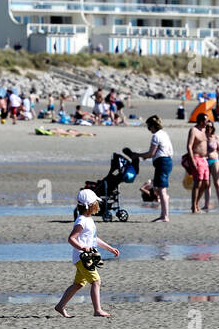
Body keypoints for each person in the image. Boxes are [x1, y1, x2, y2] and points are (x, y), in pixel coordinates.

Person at [53, 189, 120, 318]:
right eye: (96, 202)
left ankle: (60, 306)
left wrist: (109, 248)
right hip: (82, 258)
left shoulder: (89, 220)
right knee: (96, 281)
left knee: (78, 284)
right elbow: (71, 238)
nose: (98, 205)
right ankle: (97, 310)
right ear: (90, 205)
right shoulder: (81, 221)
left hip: (86, 257)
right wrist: (83, 248)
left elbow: (94, 239)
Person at [130, 115, 174, 222]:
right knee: (159, 188)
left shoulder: (156, 136)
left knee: (162, 190)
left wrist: (138, 155)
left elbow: (151, 153)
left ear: (153, 126)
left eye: (149, 127)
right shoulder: (164, 134)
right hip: (167, 161)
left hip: (162, 162)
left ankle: (165, 216)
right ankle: (164, 214)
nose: (149, 129)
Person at [186, 113, 210, 213]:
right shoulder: (193, 130)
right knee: (198, 183)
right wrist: (192, 160)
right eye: (206, 121)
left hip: (204, 159)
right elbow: (189, 146)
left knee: (206, 183)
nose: (207, 122)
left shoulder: (205, 130)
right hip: (196, 158)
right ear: (200, 121)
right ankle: (193, 206)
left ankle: (196, 203)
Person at [203, 120, 219, 212]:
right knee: (206, 184)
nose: (209, 128)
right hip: (205, 161)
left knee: (217, 183)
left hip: (215, 161)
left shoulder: (216, 137)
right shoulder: (203, 137)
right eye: (207, 127)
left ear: (213, 128)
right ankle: (206, 205)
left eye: (210, 127)